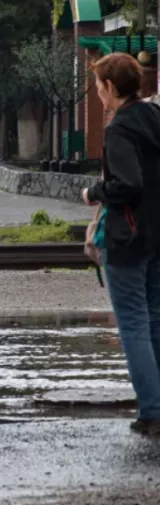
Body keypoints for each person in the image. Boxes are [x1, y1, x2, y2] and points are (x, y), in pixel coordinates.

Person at [82, 53, 160, 436]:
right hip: (158, 234)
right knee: (156, 320)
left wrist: (93, 191)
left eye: (99, 87)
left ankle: (152, 411)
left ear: (111, 88)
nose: (98, 94)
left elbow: (127, 185)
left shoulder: (120, 129)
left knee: (133, 325)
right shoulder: (156, 118)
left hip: (127, 239)